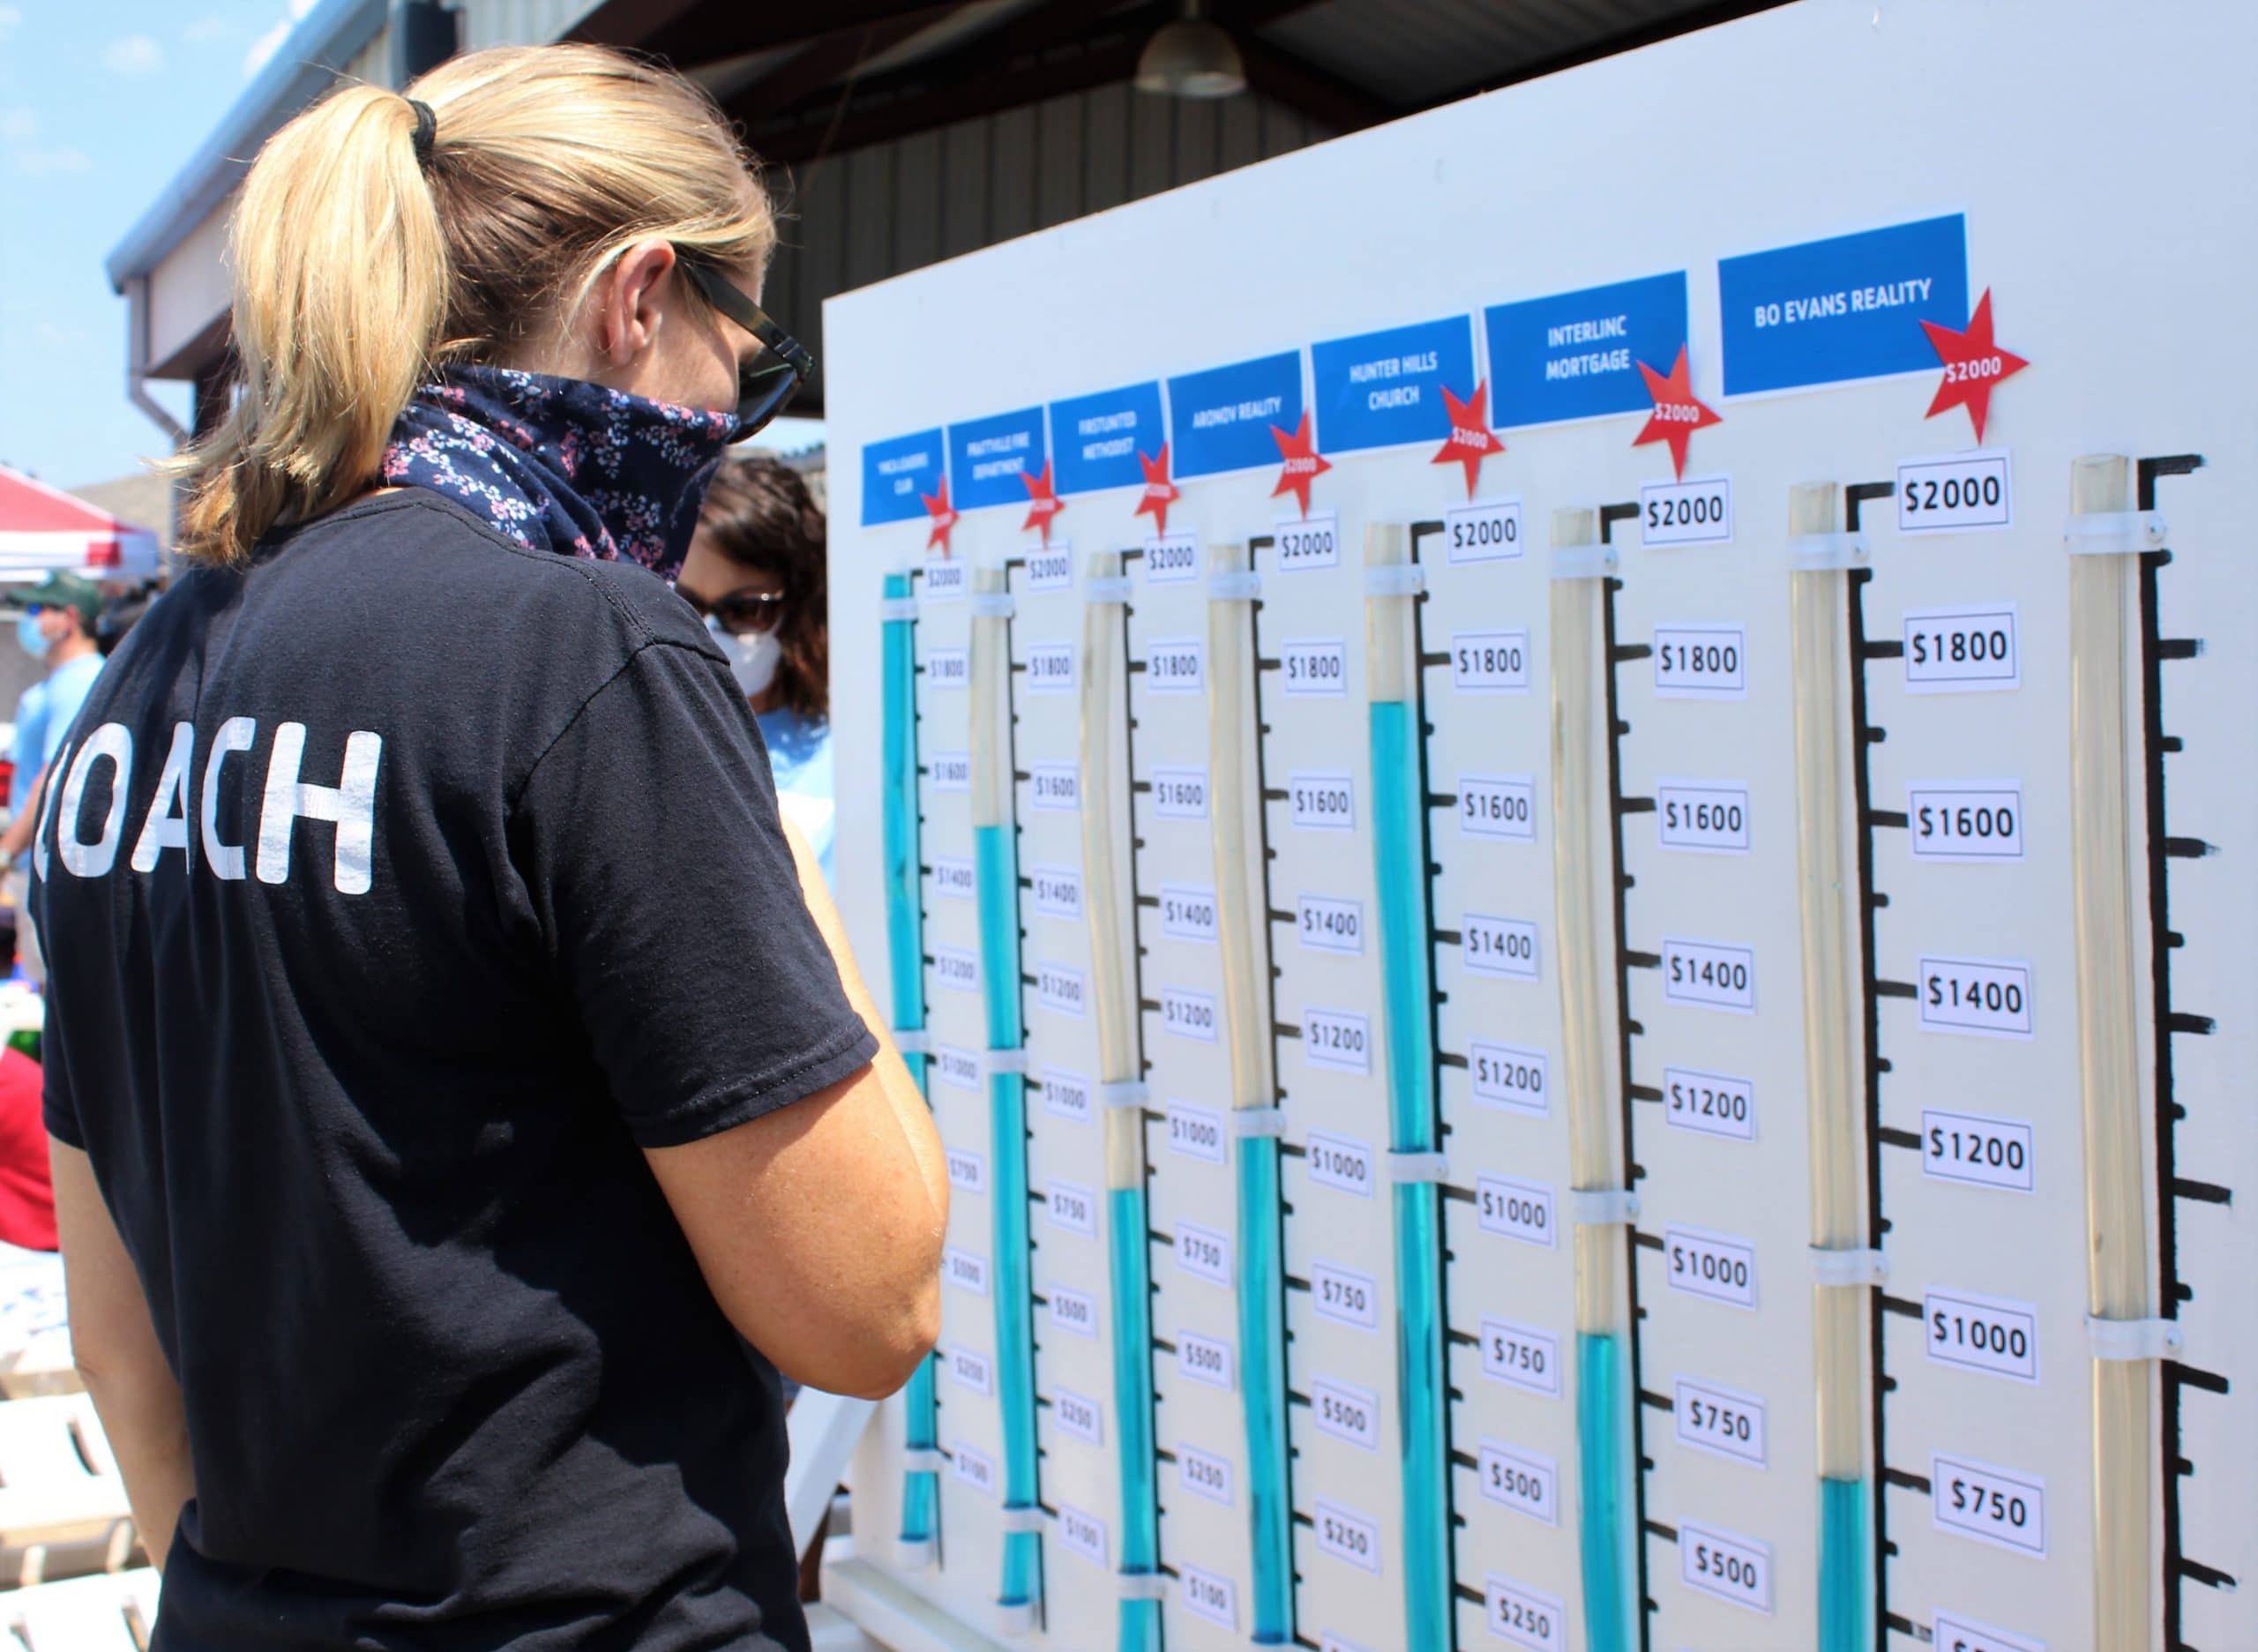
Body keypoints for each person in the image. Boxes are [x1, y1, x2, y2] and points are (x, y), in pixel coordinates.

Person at [33, 44, 946, 1652]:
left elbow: (121, 1342)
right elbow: (870, 1302)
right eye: (746, 358)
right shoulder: (583, 646)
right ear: (640, 295)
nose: (727, 417)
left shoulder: (145, 674)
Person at [680, 457, 836, 881]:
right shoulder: (636, 740)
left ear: (800, 607)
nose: (708, 630)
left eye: (745, 610)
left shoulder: (851, 752)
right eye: (685, 604)